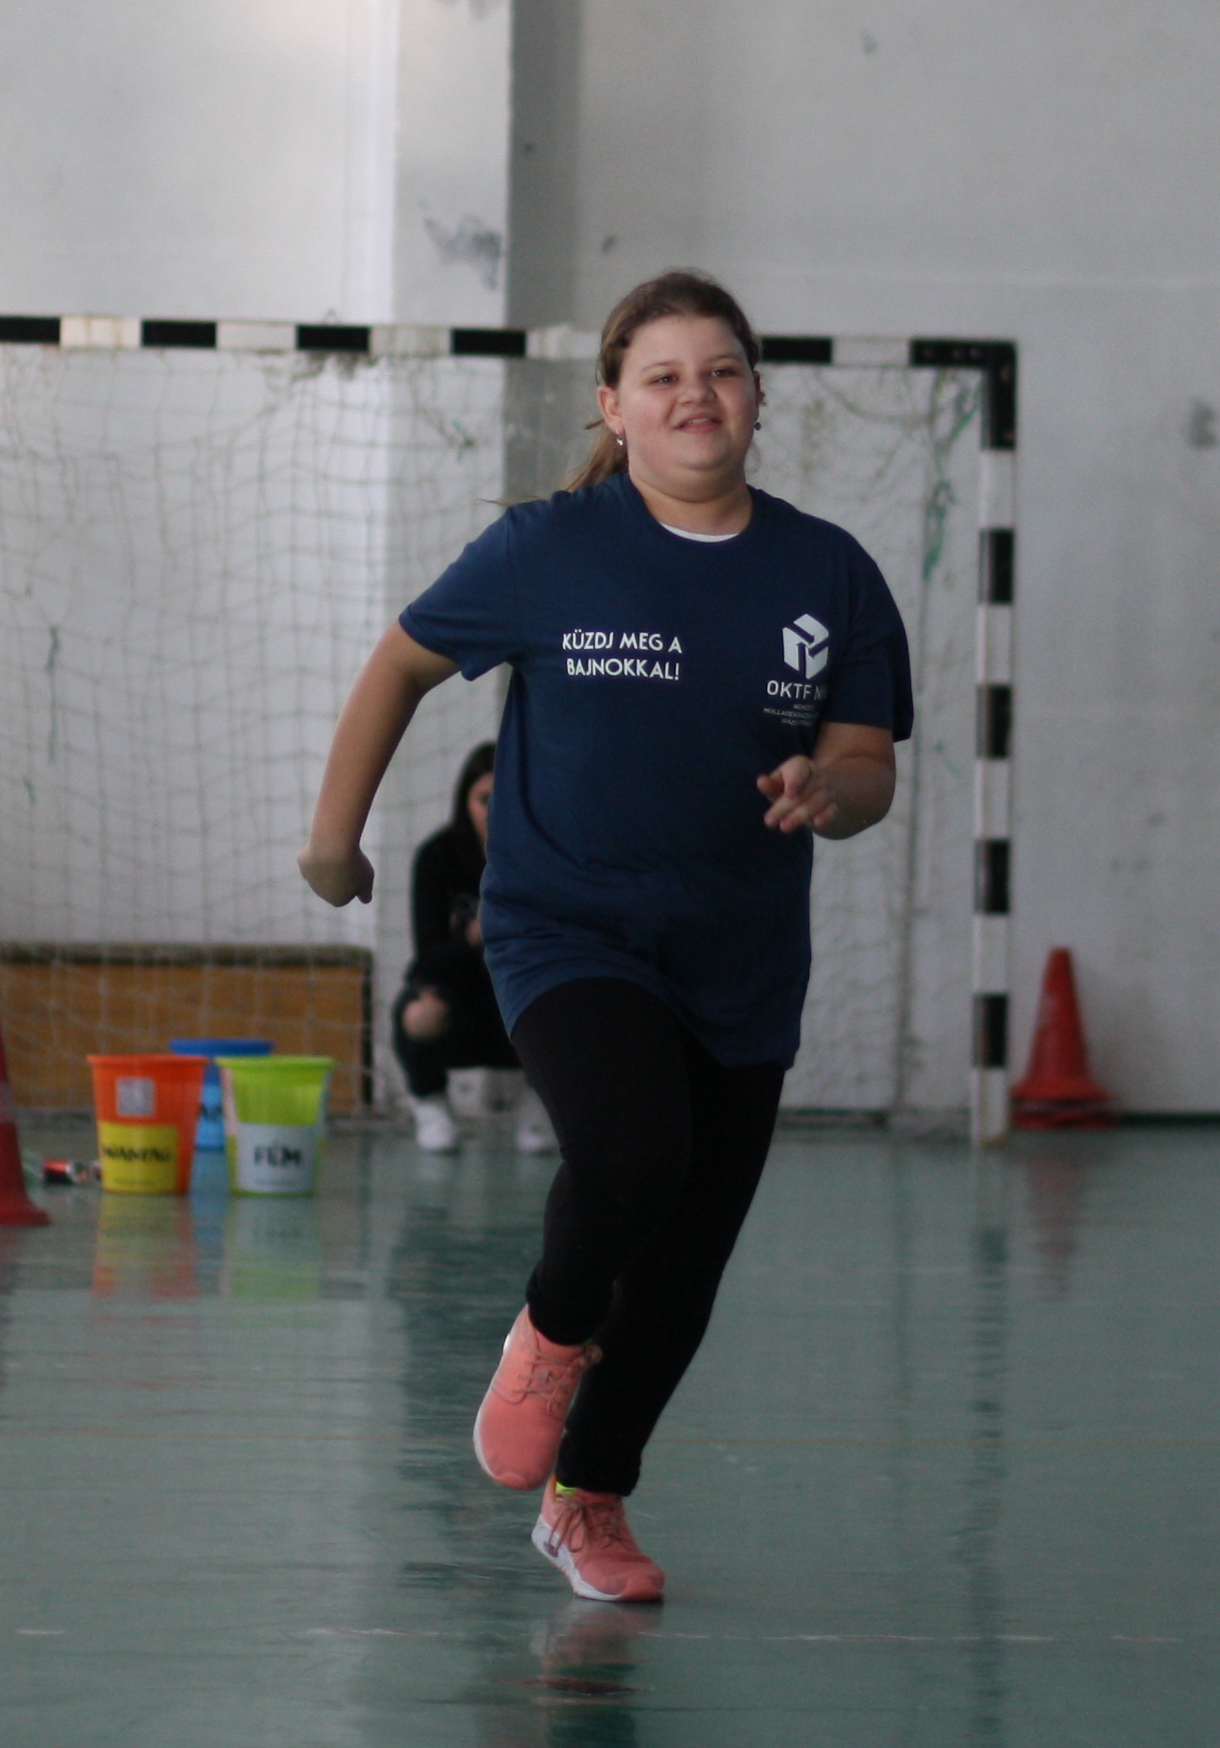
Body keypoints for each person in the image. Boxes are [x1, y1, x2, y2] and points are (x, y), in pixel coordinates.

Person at [300, 270, 912, 1604]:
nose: (699, 394)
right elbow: (401, 663)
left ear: (757, 398)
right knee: (634, 1153)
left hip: (741, 958)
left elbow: (869, 764)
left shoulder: (830, 573)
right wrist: (332, 839)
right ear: (615, 407)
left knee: (687, 1266)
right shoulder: (547, 549)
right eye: (665, 375)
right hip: (565, 925)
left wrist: (833, 787)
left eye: (724, 370)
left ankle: (588, 1500)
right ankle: (549, 1332)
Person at [392, 741, 549, 1155]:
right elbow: (428, 960)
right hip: (460, 1000)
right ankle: (430, 1102)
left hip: (521, 997)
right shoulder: (437, 856)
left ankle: (541, 1103)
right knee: (419, 1015)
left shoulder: (545, 856)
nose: (494, 812)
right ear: (465, 801)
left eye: (505, 800)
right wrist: (480, 932)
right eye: (484, 800)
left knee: (577, 1002)